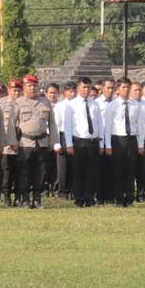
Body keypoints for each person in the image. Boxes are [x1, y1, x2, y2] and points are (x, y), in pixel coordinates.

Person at [12, 75, 54, 209]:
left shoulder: (45, 102)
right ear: (24, 88)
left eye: (34, 85)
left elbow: (52, 124)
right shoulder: (18, 103)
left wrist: (53, 142)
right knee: (24, 172)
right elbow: (11, 125)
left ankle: (37, 198)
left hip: (42, 142)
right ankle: (24, 198)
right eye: (29, 85)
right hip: (25, 143)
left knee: (41, 172)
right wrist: (13, 142)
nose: (32, 88)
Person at [61, 77, 102, 206]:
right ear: (78, 88)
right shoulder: (71, 105)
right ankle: (79, 198)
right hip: (79, 141)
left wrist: (101, 142)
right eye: (84, 87)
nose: (86, 90)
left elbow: (99, 124)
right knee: (78, 171)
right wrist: (69, 144)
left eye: (88, 87)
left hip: (93, 141)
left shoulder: (95, 104)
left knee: (92, 171)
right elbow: (67, 126)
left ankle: (89, 197)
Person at [107, 76, 142, 207]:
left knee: (130, 170)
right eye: (123, 87)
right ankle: (119, 198)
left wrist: (140, 144)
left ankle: (130, 198)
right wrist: (108, 145)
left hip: (132, 139)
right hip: (118, 139)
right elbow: (108, 126)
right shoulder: (113, 105)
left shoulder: (135, 105)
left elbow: (139, 125)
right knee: (118, 170)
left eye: (128, 87)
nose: (126, 90)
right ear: (118, 89)